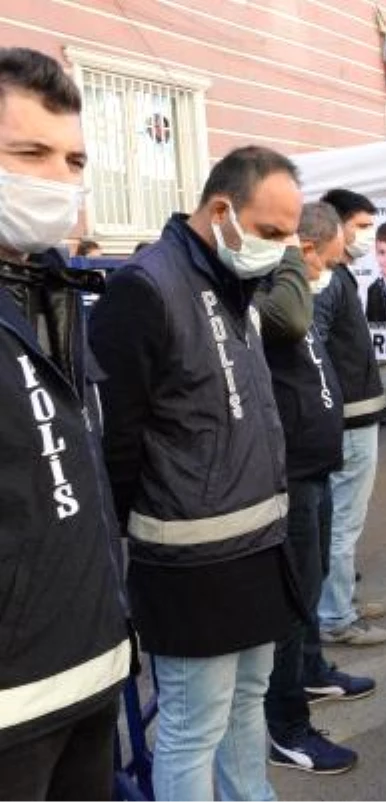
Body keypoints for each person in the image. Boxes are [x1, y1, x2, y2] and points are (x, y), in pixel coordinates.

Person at [90, 145, 306, 801]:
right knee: (192, 727)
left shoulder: (235, 282)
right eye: (271, 232)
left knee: (248, 703)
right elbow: (117, 441)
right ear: (222, 210)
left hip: (256, 546)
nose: (279, 249)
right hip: (188, 561)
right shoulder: (145, 288)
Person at [0, 46, 129, 802]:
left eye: (74, 158)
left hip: (88, 671)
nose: (60, 178)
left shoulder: (52, 290)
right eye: (29, 153)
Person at [258, 202, 371, 776]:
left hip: (314, 466)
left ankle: (312, 671)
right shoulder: (278, 292)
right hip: (292, 472)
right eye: (324, 254)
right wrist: (291, 263)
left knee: (312, 577)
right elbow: (293, 327)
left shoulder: (297, 288)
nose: (336, 262)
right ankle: (286, 727)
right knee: (294, 593)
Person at [314, 188, 386, 646]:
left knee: (342, 519)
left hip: (354, 416)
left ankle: (338, 603)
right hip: (347, 421)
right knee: (342, 521)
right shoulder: (327, 280)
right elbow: (316, 351)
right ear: (334, 224)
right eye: (360, 226)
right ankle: (336, 617)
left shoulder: (339, 275)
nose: (365, 235)